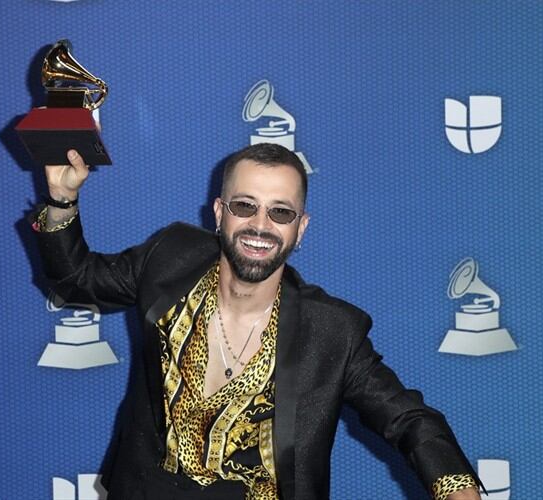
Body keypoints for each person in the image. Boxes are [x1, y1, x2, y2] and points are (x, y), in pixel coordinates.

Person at [33, 144, 483, 499]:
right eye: (245, 206)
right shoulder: (168, 258)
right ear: (219, 214)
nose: (260, 225)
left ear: (300, 229)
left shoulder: (331, 331)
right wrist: (61, 198)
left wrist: (457, 489)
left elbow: (407, 418)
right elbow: (77, 280)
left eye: (280, 212)